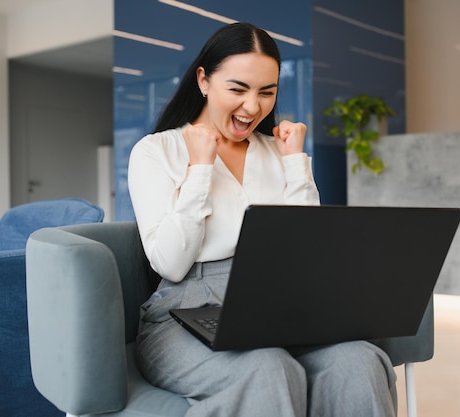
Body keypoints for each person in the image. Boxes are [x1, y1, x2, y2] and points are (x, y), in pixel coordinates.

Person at [128, 22, 397, 417]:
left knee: (358, 361)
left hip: (281, 306)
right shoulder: (156, 151)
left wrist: (294, 163)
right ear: (203, 80)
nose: (252, 107)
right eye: (238, 89)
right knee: (266, 366)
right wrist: (200, 169)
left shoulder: (279, 151)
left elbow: (309, 250)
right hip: (185, 309)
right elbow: (170, 263)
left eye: (266, 92)